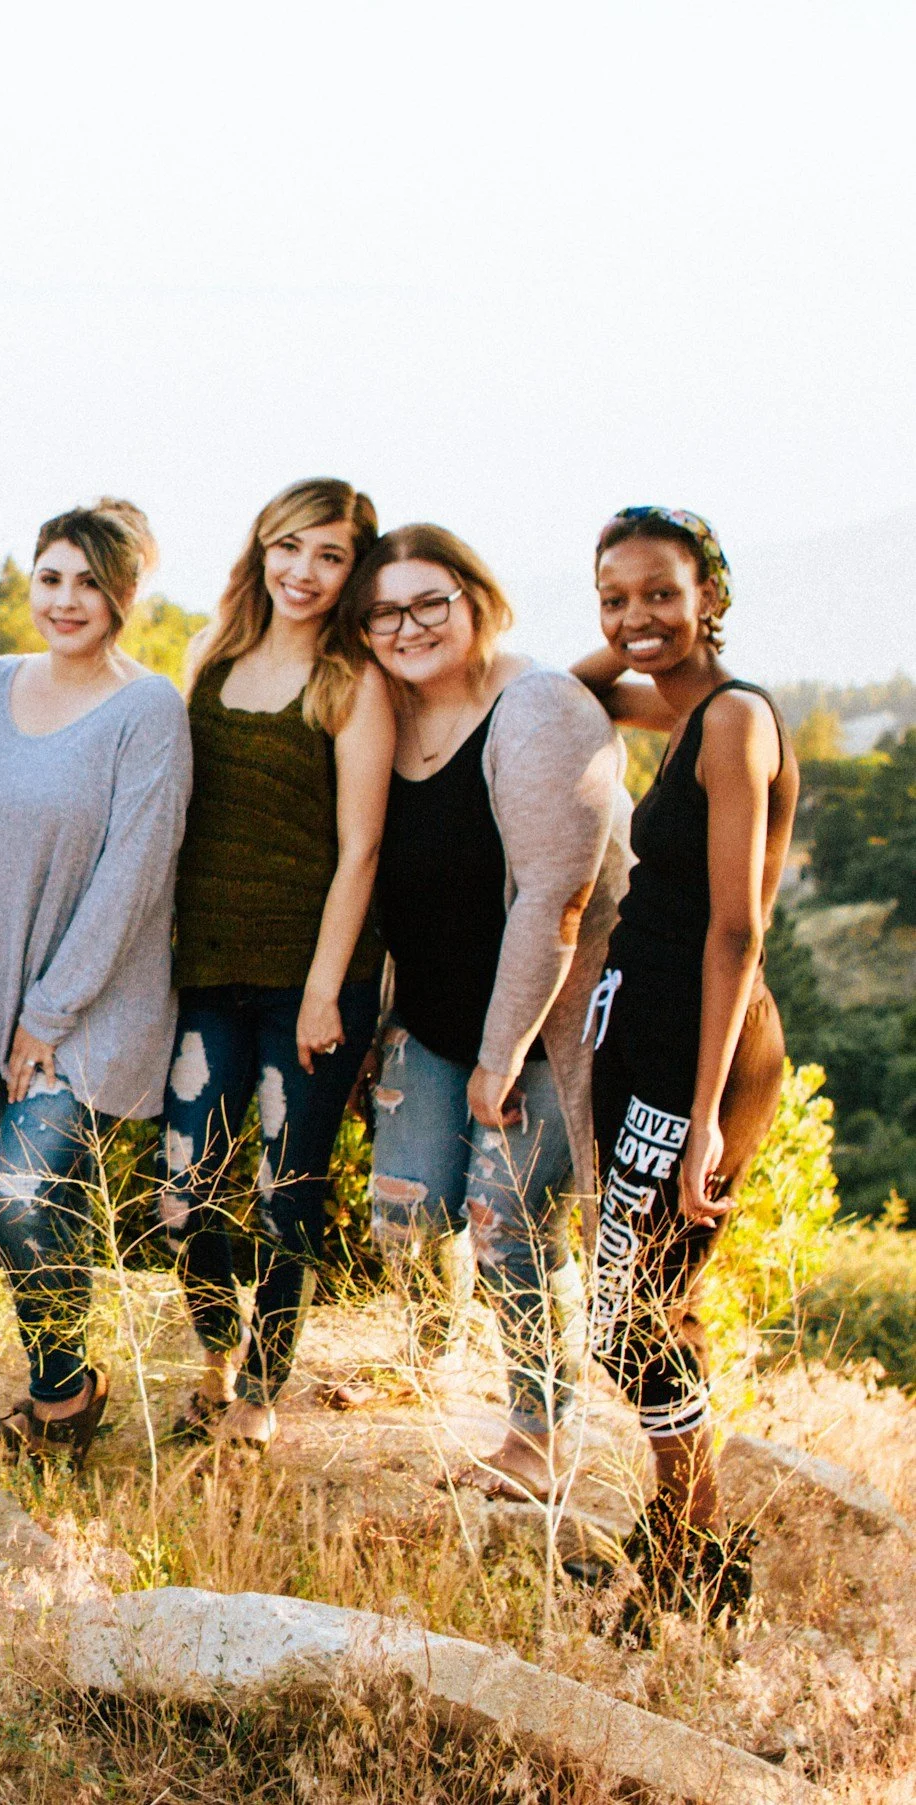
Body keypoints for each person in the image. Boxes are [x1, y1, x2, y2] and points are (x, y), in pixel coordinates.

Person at [345, 525, 628, 1503]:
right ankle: (441, 1352)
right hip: (425, 1018)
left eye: (431, 601)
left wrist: (500, 1055)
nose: (408, 626)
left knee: (506, 1221)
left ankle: (541, 1438)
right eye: (384, 611)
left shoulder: (536, 706)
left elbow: (556, 896)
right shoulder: (387, 709)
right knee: (404, 1212)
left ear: (475, 595)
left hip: (541, 1029)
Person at [571, 506, 796, 1618]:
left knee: (633, 1303)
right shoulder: (678, 704)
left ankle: (692, 1543)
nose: (634, 617)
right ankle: (681, 1529)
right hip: (647, 1035)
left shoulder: (734, 720)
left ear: (711, 588)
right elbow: (565, 696)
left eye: (660, 591)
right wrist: (632, 644)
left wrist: (703, 1112)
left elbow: (736, 930)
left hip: (691, 1050)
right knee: (635, 1296)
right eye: (613, 598)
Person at [0, 500, 191, 1463]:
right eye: (52, 576)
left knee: (17, 1192)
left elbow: (133, 876)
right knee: (43, 1207)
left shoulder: (149, 708)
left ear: (125, 594)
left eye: (91, 581)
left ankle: (65, 1394)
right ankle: (62, 1395)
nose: (67, 599)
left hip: (89, 1004)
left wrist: (48, 1012)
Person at [160, 478, 392, 1451]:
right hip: (203, 967)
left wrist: (326, 990)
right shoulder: (209, 659)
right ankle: (214, 1348)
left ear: (353, 569)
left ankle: (261, 1379)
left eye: (329, 554)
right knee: (185, 1183)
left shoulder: (355, 682)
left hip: (310, 976)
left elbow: (360, 851)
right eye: (287, 547)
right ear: (260, 549)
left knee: (283, 1185)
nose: (302, 570)